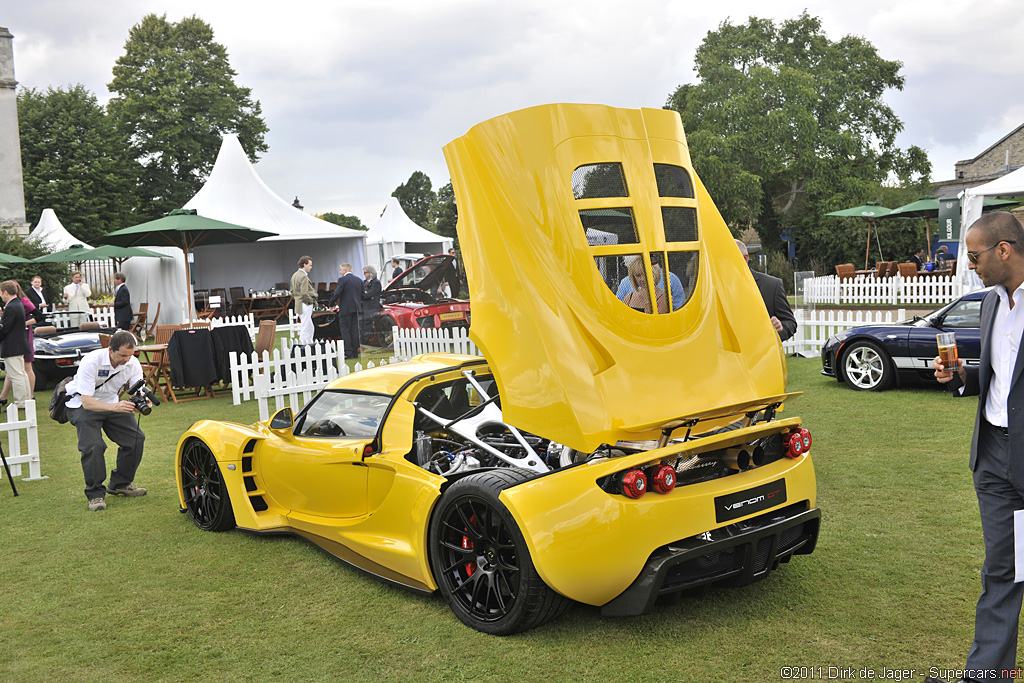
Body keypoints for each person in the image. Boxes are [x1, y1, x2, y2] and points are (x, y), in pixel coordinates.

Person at [928, 212, 1024, 683]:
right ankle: (988, 676)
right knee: (1003, 570)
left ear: (1003, 250)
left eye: (974, 255)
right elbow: (999, 379)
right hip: (993, 458)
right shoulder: (989, 304)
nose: (970, 265)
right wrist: (962, 377)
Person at [65, 329, 148, 512]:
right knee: (93, 446)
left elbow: (137, 389)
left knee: (135, 439)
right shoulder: (91, 361)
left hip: (112, 403)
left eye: (131, 354)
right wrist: (115, 407)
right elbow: (87, 402)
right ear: (111, 350)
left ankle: (120, 483)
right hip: (82, 404)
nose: (128, 359)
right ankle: (95, 494)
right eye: (123, 355)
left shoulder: (132, 362)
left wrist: (142, 398)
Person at [735, 240, 797, 342]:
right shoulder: (715, 287)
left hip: (763, 355)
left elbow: (790, 323)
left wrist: (780, 327)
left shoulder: (772, 286)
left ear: (745, 258)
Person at [0, 281, 37, 404]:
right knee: (20, 374)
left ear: (5, 292)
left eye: (0, 293)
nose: (0, 296)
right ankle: (26, 400)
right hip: (18, 344)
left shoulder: (11, 306)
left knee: (16, 375)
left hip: (12, 345)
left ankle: (21, 402)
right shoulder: (17, 304)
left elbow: (5, 329)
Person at [615, 256, 685, 311]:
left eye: (645, 274)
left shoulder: (670, 279)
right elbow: (618, 310)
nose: (642, 279)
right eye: (638, 275)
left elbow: (679, 309)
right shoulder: (627, 289)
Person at [329, 263, 362, 359]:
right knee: (355, 330)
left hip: (346, 309)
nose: (340, 272)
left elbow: (337, 292)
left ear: (344, 270)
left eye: (340, 270)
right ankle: (355, 352)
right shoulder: (359, 280)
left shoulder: (342, 280)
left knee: (345, 331)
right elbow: (362, 295)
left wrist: (331, 303)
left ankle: (348, 353)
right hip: (356, 308)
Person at [290, 255, 317, 345]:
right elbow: (305, 293)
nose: (311, 267)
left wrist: (297, 298)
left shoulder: (294, 275)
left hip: (298, 303)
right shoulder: (303, 276)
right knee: (305, 326)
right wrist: (311, 301)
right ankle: (303, 346)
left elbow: (292, 291)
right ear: (304, 264)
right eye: (310, 265)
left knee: (310, 326)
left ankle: (309, 344)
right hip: (305, 303)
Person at [360, 265, 383, 344]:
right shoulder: (364, 282)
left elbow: (368, 295)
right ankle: (361, 342)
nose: (364, 274)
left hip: (371, 308)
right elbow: (363, 294)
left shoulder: (376, 283)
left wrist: (365, 294)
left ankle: (364, 343)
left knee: (367, 325)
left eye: (365, 272)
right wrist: (365, 294)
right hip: (364, 307)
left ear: (370, 273)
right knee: (362, 325)